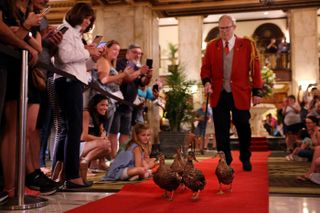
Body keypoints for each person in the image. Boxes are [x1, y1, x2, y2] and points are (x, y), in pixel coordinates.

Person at [200, 15, 263, 171]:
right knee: (221, 129)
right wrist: (207, 82)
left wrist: (257, 91)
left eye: (227, 28)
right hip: (218, 93)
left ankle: (245, 157)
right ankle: (226, 161)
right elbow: (205, 68)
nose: (224, 31)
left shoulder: (247, 44)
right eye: (221, 28)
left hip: (240, 93)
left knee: (243, 125)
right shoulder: (211, 46)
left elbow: (255, 69)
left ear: (234, 27)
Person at [53, 2, 102, 188]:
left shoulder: (76, 34)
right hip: (67, 82)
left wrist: (92, 58)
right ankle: (71, 175)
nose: (88, 22)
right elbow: (64, 58)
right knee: (72, 129)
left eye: (90, 20)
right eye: (86, 18)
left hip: (74, 81)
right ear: (78, 15)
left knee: (69, 129)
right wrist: (86, 51)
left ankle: (63, 172)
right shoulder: (65, 30)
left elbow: (80, 65)